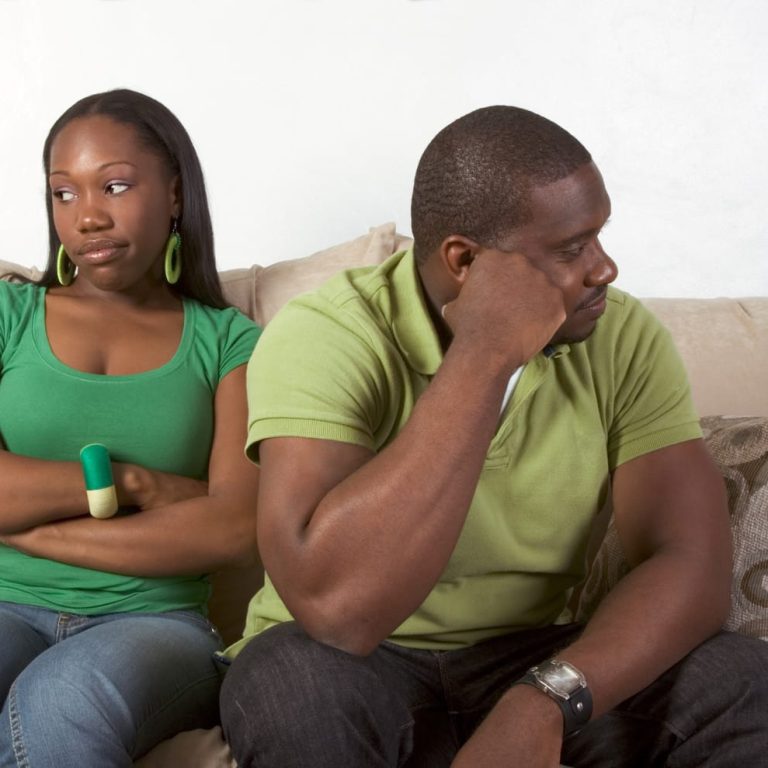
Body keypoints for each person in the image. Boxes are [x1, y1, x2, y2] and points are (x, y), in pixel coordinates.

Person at [218, 105, 768, 767]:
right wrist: (484, 355)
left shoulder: (622, 336)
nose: (605, 269)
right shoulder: (326, 335)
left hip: (530, 656)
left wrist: (543, 701)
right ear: (464, 262)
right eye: (571, 249)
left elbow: (689, 563)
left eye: (599, 236)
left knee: (739, 679)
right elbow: (338, 610)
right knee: (289, 683)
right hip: (342, 663)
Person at [0, 89, 261, 766]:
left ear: (174, 194)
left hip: (157, 625)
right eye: (63, 194)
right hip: (5, 602)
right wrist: (130, 486)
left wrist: (41, 522)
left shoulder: (230, 341)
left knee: (61, 699)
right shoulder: (7, 315)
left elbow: (236, 526)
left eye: (114, 186)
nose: (86, 216)